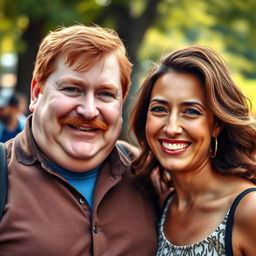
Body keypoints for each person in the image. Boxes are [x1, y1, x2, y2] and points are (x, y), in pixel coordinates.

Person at [0, 24, 158, 255]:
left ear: (121, 101)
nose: (89, 110)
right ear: (37, 93)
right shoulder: (4, 174)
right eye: (72, 89)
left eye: (105, 94)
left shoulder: (148, 173)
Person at [130, 46, 256, 255]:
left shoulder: (248, 209)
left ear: (217, 125)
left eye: (191, 111)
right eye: (159, 109)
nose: (171, 128)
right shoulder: (161, 204)